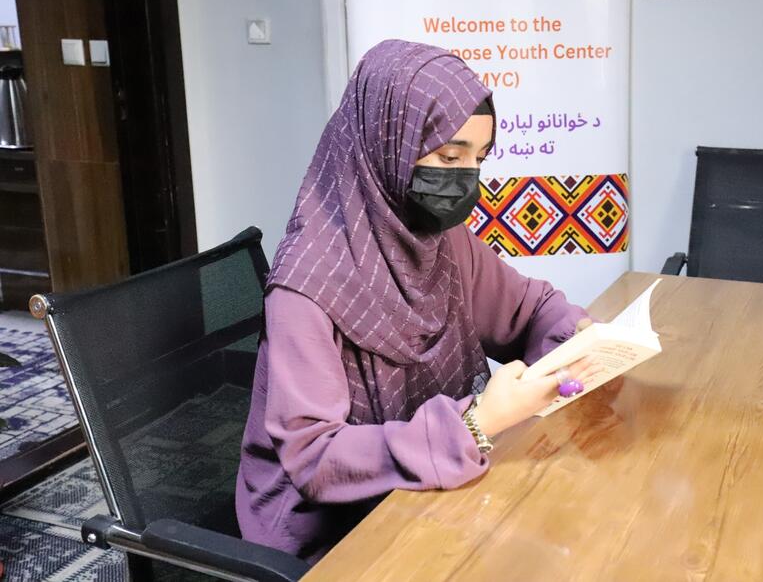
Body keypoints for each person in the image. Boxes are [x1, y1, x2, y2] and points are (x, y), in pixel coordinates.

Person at [236, 39, 598, 564]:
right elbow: (314, 459)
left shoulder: (437, 238)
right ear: (389, 144)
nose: (466, 177)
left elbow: (528, 309)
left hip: (426, 490)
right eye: (449, 156)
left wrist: (577, 332)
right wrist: (474, 424)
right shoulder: (305, 286)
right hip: (329, 534)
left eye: (478, 157)